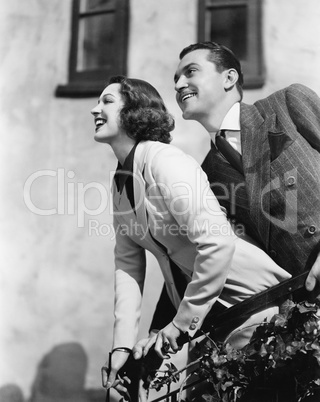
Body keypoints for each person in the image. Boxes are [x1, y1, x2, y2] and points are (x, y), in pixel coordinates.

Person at [90, 75, 291, 399]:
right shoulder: (120, 186)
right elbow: (128, 267)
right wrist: (121, 348)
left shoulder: (165, 162)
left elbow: (218, 242)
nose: (95, 109)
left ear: (134, 111)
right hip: (213, 319)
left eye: (107, 101)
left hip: (257, 305)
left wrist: (179, 325)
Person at [133, 42, 320, 355]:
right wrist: (158, 332)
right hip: (308, 313)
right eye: (175, 80)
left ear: (229, 77)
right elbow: (195, 254)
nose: (178, 85)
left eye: (190, 72)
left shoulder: (287, 104)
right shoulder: (205, 174)